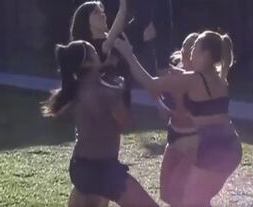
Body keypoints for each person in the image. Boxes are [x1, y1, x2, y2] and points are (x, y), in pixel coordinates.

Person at [114, 31, 242, 206]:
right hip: (231, 146)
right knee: (195, 200)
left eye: (195, 47)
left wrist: (128, 54)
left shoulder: (194, 80)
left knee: (192, 201)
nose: (190, 53)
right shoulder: (219, 78)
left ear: (205, 55)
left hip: (215, 148)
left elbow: (151, 84)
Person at [42, 41, 158, 207]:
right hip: (103, 170)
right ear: (88, 63)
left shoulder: (75, 91)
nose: (99, 53)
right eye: (94, 52)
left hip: (80, 167)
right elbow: (126, 124)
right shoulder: (105, 92)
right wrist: (123, 87)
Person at [69, 0, 133, 104]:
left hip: (120, 99)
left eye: (102, 12)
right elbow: (114, 32)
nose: (103, 15)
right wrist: (123, 7)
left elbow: (129, 52)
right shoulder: (89, 48)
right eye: (96, 13)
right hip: (100, 105)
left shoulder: (114, 39)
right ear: (85, 21)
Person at [158, 32, 200, 206]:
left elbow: (182, 114)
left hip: (193, 141)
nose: (184, 54)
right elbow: (165, 109)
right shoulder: (176, 73)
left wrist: (175, 95)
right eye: (183, 49)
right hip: (174, 136)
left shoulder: (201, 80)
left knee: (182, 195)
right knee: (166, 194)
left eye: (189, 51)